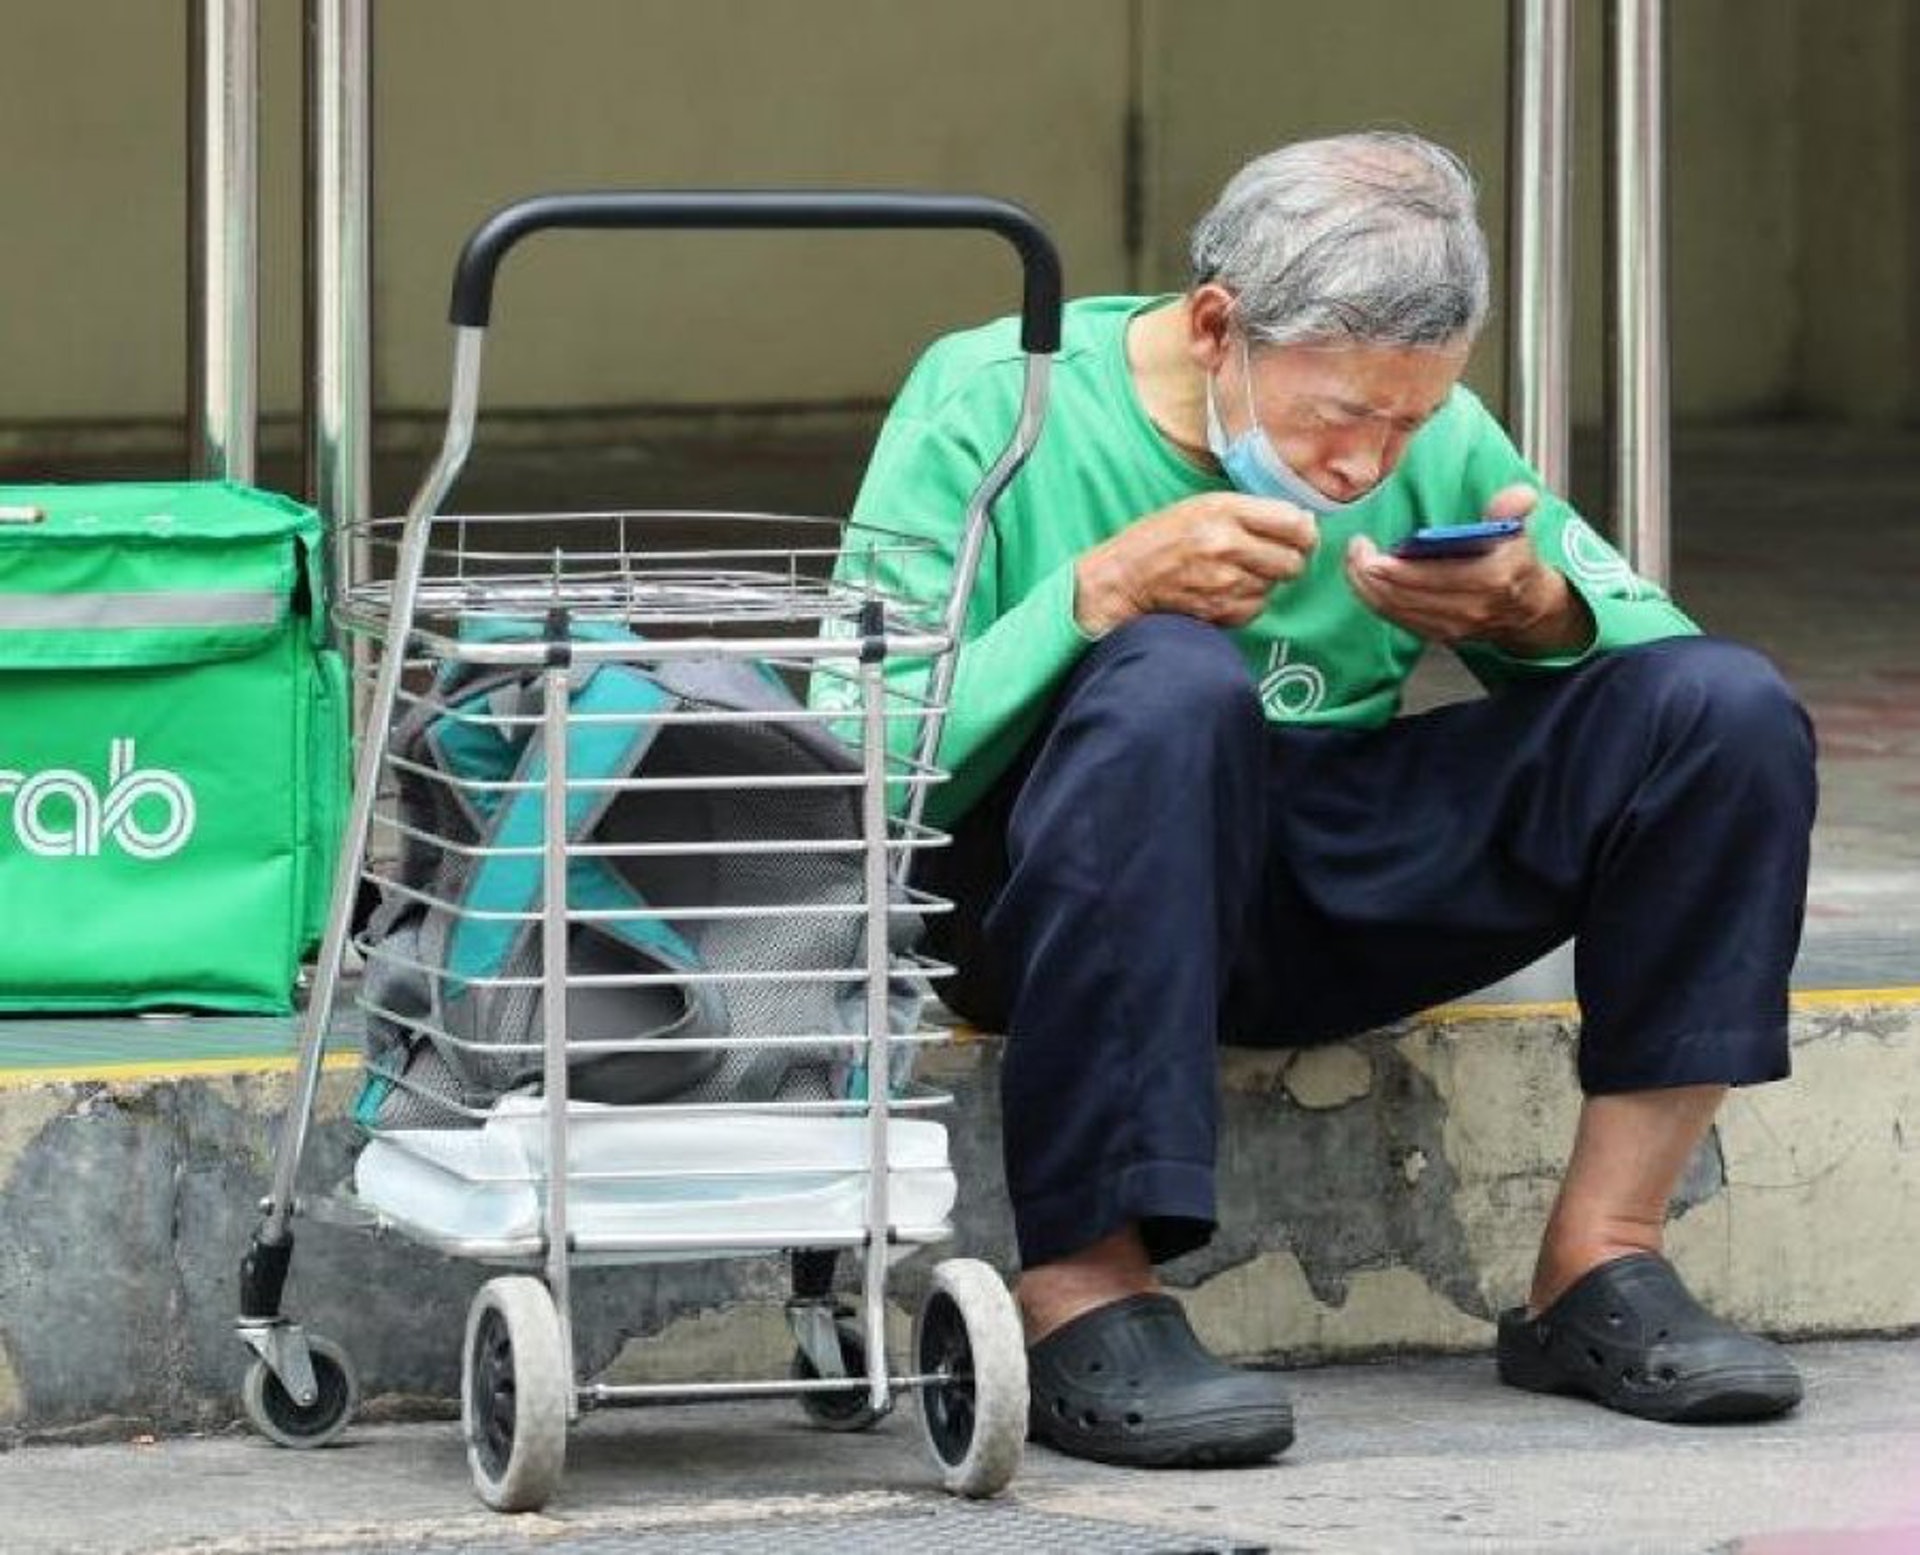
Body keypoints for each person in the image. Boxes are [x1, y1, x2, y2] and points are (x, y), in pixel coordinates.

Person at [832, 130, 1816, 1469]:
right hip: (1046, 891)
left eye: (1406, 421)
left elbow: (1677, 698)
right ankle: (1088, 1287)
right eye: (1342, 415)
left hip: (1313, 870)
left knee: (1729, 710)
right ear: (1218, 322)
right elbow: (850, 751)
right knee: (1171, 679)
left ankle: (1601, 1261)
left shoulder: (1437, 428)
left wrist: (1530, 611)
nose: (1369, 464)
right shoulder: (992, 396)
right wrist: (1094, 599)